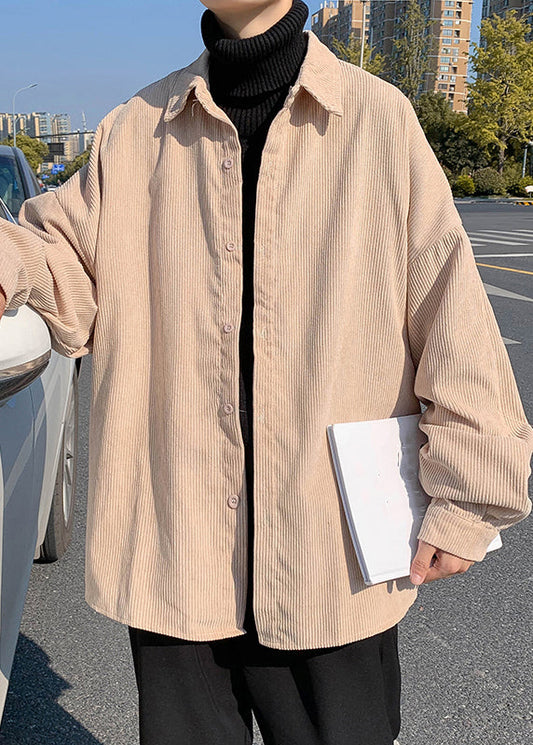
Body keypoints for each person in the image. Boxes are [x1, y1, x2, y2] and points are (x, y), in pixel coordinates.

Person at [0, 1, 531, 743]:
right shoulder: (136, 130)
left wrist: (470, 497)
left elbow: (449, 311)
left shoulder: (377, 121)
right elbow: (56, 256)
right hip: (178, 547)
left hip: (330, 552)